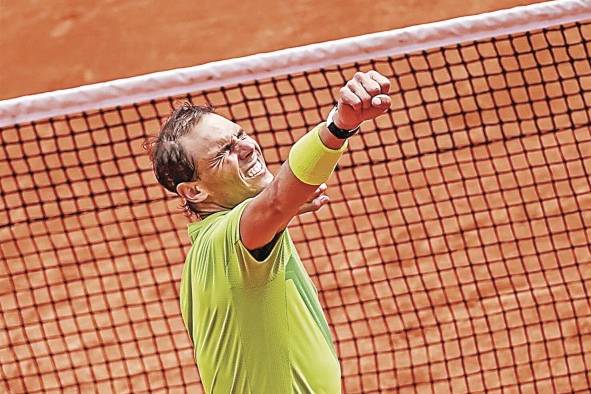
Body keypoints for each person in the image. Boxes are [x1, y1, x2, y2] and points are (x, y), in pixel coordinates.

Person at [145, 70, 391, 393]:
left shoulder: (214, 253)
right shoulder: (227, 242)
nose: (246, 148)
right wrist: (338, 125)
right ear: (194, 192)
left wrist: (288, 207)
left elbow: (273, 209)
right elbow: (274, 202)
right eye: (223, 154)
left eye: (240, 135)